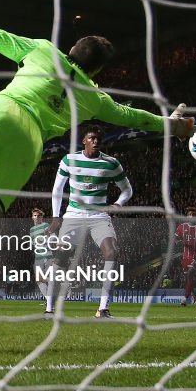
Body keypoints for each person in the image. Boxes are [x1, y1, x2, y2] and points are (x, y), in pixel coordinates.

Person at [0, 6, 194, 349]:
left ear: (71, 50)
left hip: (3, 111)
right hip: (30, 145)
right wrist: (174, 127)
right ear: (97, 70)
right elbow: (133, 117)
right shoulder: (95, 98)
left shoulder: (42, 50)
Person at [49, 126, 132, 319]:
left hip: (98, 216)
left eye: (98, 139)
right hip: (74, 215)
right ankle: (49, 307)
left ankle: (103, 308)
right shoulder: (69, 160)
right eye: (92, 138)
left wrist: (118, 205)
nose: (95, 141)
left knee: (112, 252)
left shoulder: (111, 163)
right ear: (84, 141)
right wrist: (55, 217)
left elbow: (127, 190)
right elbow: (57, 190)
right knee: (61, 257)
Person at [175, 207, 196, 306]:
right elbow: (175, 240)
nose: (191, 216)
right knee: (188, 278)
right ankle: (193, 294)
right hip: (185, 257)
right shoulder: (181, 227)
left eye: (194, 215)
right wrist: (178, 242)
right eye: (190, 215)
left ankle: (184, 299)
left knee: (190, 274)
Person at [29, 207, 56, 314]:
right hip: (38, 257)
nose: (36, 217)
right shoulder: (31, 230)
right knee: (39, 280)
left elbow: (53, 237)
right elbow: (33, 243)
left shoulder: (45, 226)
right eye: (35, 216)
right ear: (32, 217)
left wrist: (45, 240)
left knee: (49, 278)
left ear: (42, 217)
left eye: (39, 216)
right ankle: (49, 300)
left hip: (48, 255)